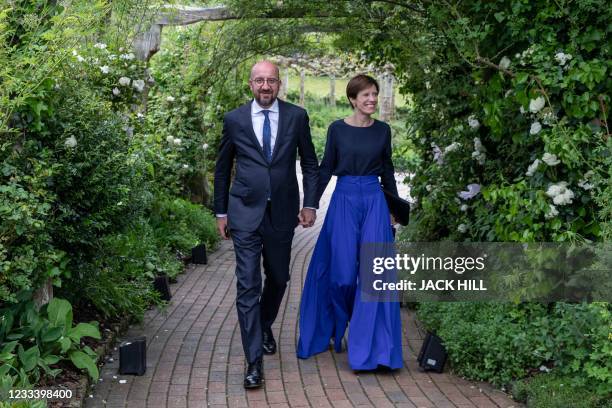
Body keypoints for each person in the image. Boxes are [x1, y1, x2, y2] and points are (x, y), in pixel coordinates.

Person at [214, 61, 319, 388]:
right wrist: (221, 212)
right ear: (250, 84)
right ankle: (253, 363)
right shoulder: (234, 120)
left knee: (279, 276)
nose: (265, 86)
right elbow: (222, 168)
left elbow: (311, 164)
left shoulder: (296, 117)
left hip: (283, 212)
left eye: (271, 81)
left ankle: (264, 323)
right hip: (244, 211)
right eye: (259, 81)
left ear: (279, 84)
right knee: (248, 285)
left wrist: (310, 204)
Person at [297, 74, 403, 370]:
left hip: (374, 201)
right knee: (341, 275)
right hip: (343, 200)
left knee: (373, 277)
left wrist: (394, 208)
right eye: (365, 95)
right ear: (353, 99)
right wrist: (311, 205)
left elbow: (389, 170)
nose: (371, 100)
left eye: (374, 94)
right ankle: (335, 327)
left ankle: (373, 349)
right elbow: (326, 167)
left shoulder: (383, 131)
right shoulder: (337, 130)